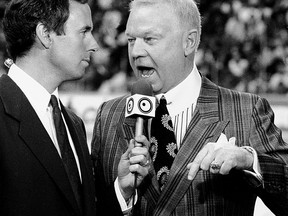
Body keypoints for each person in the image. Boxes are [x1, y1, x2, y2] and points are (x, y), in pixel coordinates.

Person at [91, 0, 288, 215]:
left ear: (189, 42)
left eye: (149, 39)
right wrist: (121, 193)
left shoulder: (246, 110)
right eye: (131, 40)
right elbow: (89, 207)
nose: (136, 51)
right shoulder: (108, 116)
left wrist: (250, 161)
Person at [0, 0, 99, 215]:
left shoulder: (73, 123)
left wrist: (121, 191)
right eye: (84, 31)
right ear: (45, 34)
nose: (94, 44)